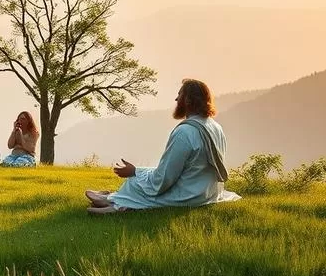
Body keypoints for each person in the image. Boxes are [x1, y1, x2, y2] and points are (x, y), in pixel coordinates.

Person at [85, 79, 242, 215]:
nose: (176, 99)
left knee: (134, 181)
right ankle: (111, 198)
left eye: (179, 95)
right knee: (144, 173)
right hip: (208, 193)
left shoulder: (185, 132)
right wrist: (141, 171)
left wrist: (134, 172)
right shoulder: (216, 127)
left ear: (188, 100)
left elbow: (164, 179)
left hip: (189, 196)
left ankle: (117, 204)